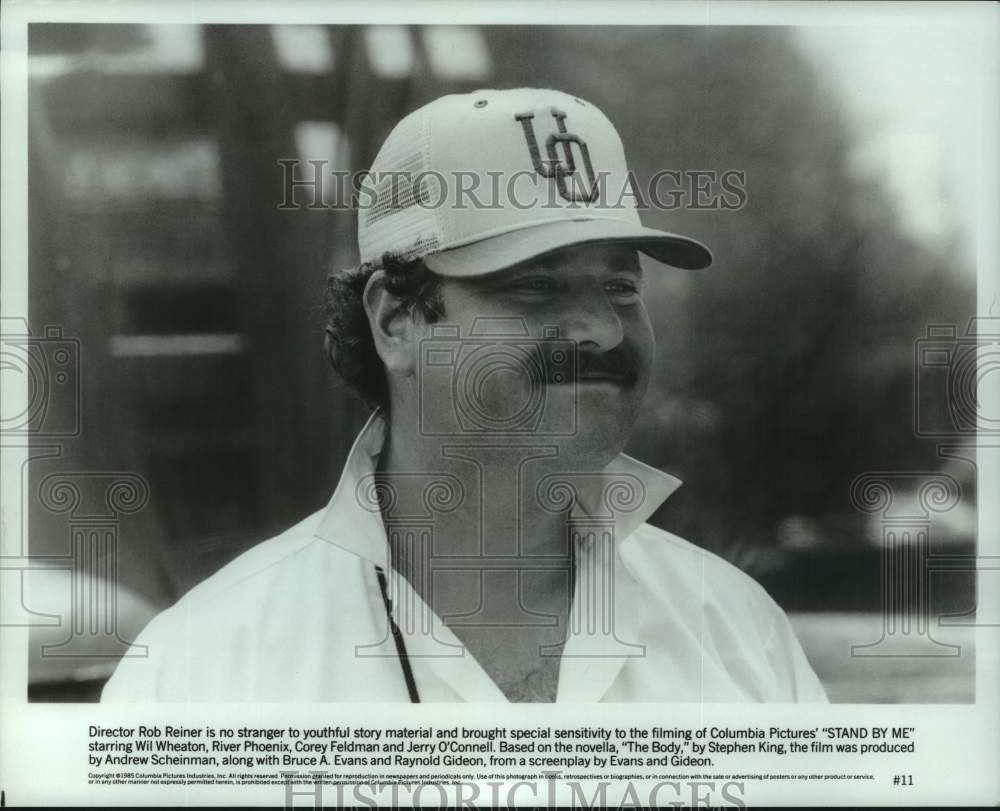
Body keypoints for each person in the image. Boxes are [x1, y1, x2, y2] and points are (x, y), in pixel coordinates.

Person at [102, 87, 827, 703]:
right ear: (396, 318)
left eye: (621, 286)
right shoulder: (204, 665)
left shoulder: (737, 632)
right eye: (535, 285)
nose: (603, 330)